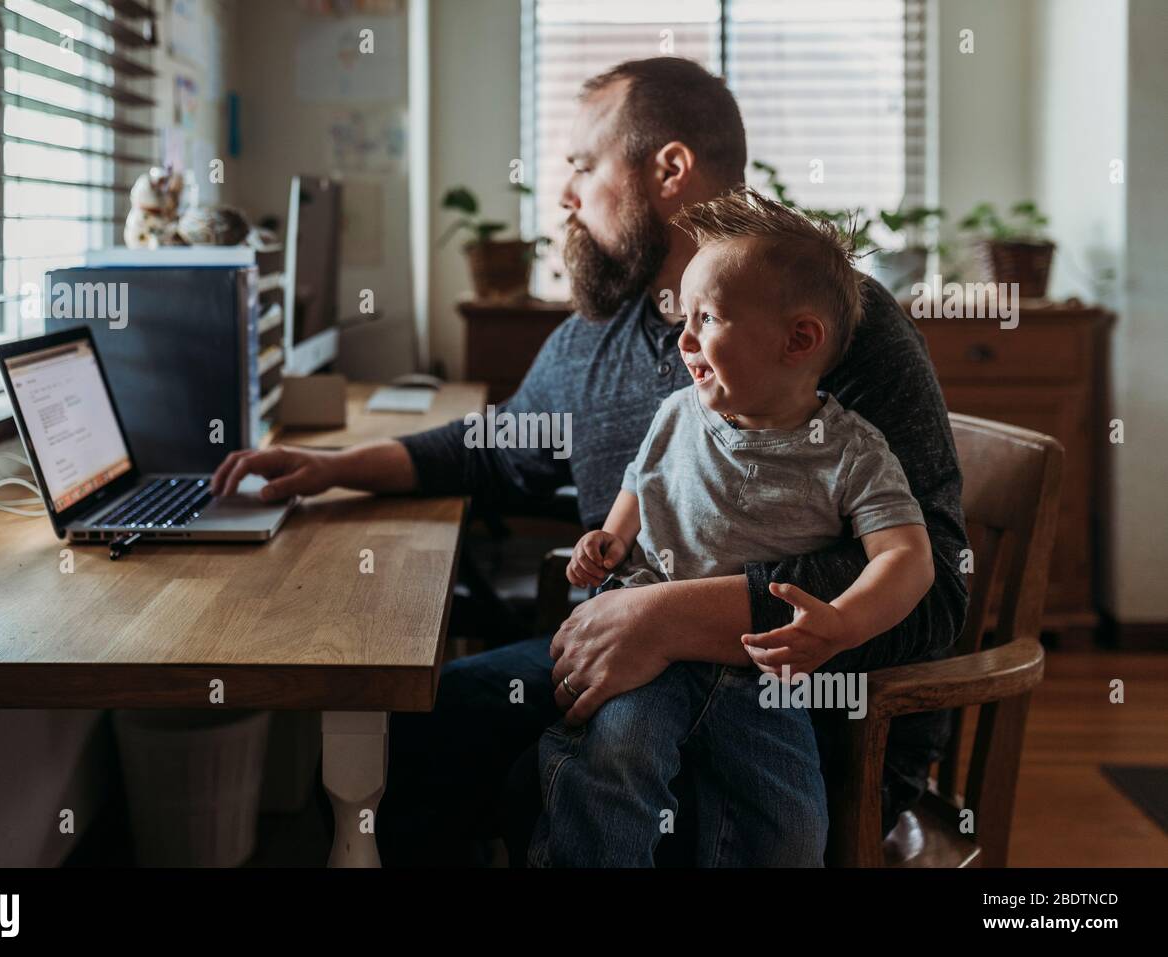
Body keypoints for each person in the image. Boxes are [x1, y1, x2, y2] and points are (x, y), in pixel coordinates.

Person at [210, 57, 968, 866]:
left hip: (808, 713)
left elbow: (936, 596)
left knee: (571, 792)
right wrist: (337, 467)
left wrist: (668, 615)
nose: (564, 195)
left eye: (581, 165)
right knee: (429, 725)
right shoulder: (604, 331)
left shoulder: (825, 329)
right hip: (632, 650)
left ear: (669, 169)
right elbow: (501, 449)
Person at [529, 188, 935, 867]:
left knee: (793, 826)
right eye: (683, 318)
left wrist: (842, 623)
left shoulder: (852, 452)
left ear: (798, 339)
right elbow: (642, 479)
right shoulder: (677, 412)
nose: (683, 339)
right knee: (614, 762)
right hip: (639, 643)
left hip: (758, 670)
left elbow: (909, 557)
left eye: (707, 318)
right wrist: (611, 537)